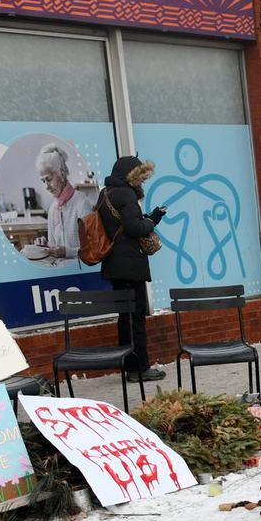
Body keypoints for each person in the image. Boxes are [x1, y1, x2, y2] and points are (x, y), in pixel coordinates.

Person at [98, 155, 167, 383]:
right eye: (139, 177)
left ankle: (129, 366)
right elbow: (135, 228)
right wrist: (154, 219)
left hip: (114, 264)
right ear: (131, 176)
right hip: (130, 266)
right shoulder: (126, 194)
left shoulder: (105, 193)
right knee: (135, 318)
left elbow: (119, 226)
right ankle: (140, 368)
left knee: (124, 318)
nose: (141, 183)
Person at [34, 145, 94, 263]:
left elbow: (93, 249)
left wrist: (67, 252)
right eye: (43, 181)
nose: (46, 186)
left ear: (61, 173)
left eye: (49, 179)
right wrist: (45, 246)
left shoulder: (82, 203)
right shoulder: (52, 209)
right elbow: (53, 248)